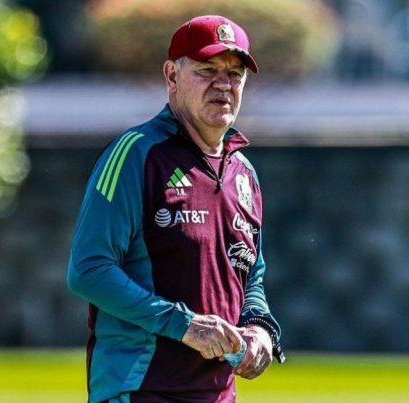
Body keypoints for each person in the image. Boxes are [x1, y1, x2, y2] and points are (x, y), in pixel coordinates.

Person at [67, 14, 284, 403]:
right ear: (172, 76)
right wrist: (183, 325)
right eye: (207, 70)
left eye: (234, 74)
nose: (223, 84)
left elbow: (251, 275)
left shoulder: (244, 173)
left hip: (218, 394)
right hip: (141, 389)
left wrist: (259, 327)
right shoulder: (136, 154)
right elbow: (89, 269)